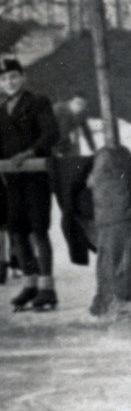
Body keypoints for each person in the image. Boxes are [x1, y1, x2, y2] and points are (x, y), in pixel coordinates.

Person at [0, 56, 62, 310]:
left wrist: (30, 153)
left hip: (35, 176)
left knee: (38, 229)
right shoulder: (0, 109)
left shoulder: (38, 102)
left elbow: (51, 132)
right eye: (4, 79)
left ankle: (47, 288)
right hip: (11, 180)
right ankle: (30, 284)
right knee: (17, 231)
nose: (9, 82)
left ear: (23, 77)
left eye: (13, 76)